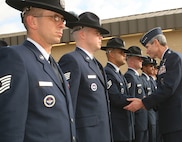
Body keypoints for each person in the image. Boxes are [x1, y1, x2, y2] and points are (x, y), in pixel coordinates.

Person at [0, 0, 78, 142]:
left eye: (62, 19)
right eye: (55, 18)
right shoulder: (16, 58)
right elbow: (9, 127)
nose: (62, 24)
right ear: (32, 21)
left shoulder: (53, 64)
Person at [124, 27, 182, 142]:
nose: (147, 51)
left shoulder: (174, 58)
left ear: (156, 43)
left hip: (176, 121)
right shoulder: (165, 61)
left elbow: (168, 88)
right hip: (170, 121)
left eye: (147, 47)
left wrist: (143, 102)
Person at [58, 12, 113, 142]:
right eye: (97, 33)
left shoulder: (97, 64)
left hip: (102, 134)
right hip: (86, 136)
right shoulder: (72, 60)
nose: (101, 37)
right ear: (83, 34)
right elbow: (68, 104)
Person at [101, 37, 135, 142]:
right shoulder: (107, 72)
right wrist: (137, 101)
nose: (125, 55)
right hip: (117, 129)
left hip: (125, 127)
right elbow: (115, 97)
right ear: (111, 53)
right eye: (121, 52)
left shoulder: (118, 74)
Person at [124, 46, 148, 142]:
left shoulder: (137, 77)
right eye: (139, 58)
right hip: (137, 123)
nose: (141, 60)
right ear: (131, 60)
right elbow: (130, 101)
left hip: (142, 121)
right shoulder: (129, 76)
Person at [140, 56, 158, 142]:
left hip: (154, 113)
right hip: (148, 114)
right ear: (143, 67)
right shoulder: (142, 80)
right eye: (150, 66)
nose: (153, 68)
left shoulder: (151, 80)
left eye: (153, 66)